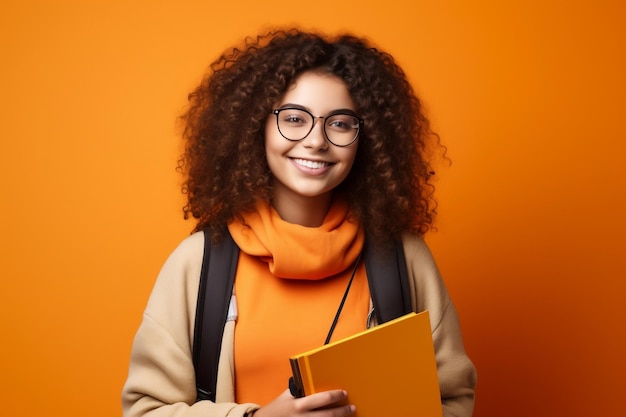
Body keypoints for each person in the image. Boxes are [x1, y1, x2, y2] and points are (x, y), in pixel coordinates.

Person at [122, 29, 477, 417]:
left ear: (367, 138)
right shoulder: (199, 262)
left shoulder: (402, 258)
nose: (315, 141)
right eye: (294, 118)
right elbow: (146, 410)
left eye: (340, 123)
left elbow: (450, 399)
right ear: (256, 125)